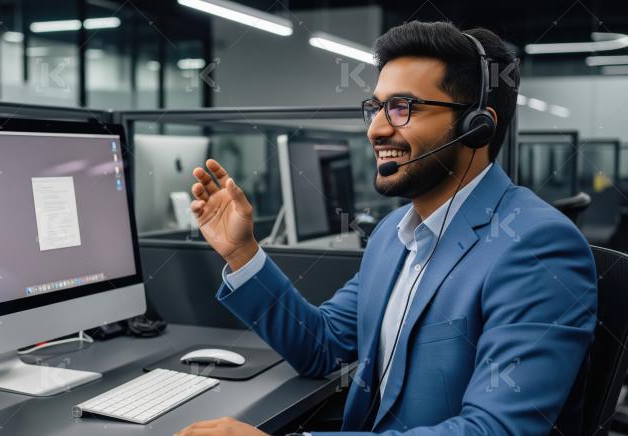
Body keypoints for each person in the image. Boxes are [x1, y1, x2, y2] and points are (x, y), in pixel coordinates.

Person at [176, 21, 596, 436]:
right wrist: (242, 253)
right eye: (376, 107)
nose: (376, 129)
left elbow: (496, 429)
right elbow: (322, 348)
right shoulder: (395, 234)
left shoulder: (537, 246)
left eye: (403, 108)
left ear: (477, 127)